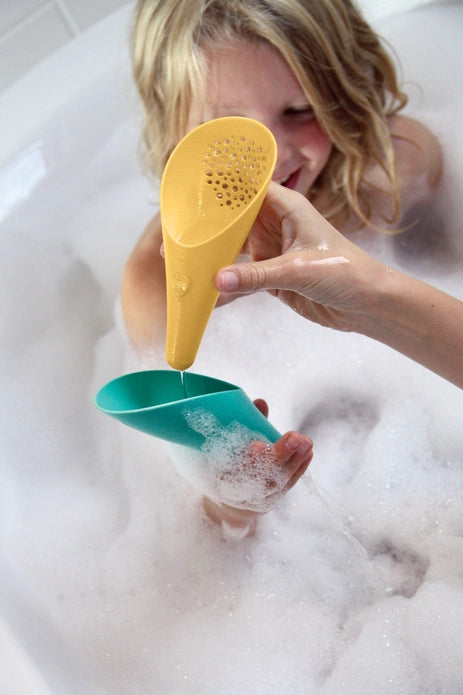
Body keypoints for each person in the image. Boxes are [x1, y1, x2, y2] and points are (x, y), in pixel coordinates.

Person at [121, 0, 442, 534]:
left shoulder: (393, 170)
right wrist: (235, 499)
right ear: (172, 122)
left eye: (299, 111)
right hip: (311, 530)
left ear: (346, 95)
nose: (271, 156)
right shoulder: (154, 281)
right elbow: (183, 505)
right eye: (227, 126)